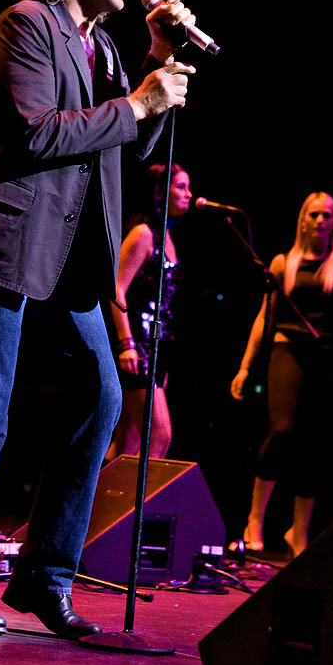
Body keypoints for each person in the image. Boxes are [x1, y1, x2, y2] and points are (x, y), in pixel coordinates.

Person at [0, 0, 198, 638]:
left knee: (102, 401)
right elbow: (36, 130)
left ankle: (45, 579)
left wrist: (156, 64)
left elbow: (129, 145)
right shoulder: (24, 24)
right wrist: (139, 101)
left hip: (76, 258)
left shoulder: (103, 46)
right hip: (9, 240)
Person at [230, 191, 333, 558]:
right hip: (287, 349)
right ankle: (254, 520)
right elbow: (264, 317)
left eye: (327, 215)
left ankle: (298, 532)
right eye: (314, 214)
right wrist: (246, 366)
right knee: (282, 432)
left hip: (328, 358)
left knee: (315, 445)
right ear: (302, 220)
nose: (320, 221)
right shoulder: (283, 263)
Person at [106, 163, 192, 460]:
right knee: (159, 435)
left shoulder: (166, 236)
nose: (189, 195)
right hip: (137, 347)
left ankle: (101, 491)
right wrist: (126, 343)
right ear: (160, 192)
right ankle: (139, 496)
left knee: (126, 446)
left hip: (156, 348)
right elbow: (116, 290)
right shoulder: (143, 234)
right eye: (181, 187)